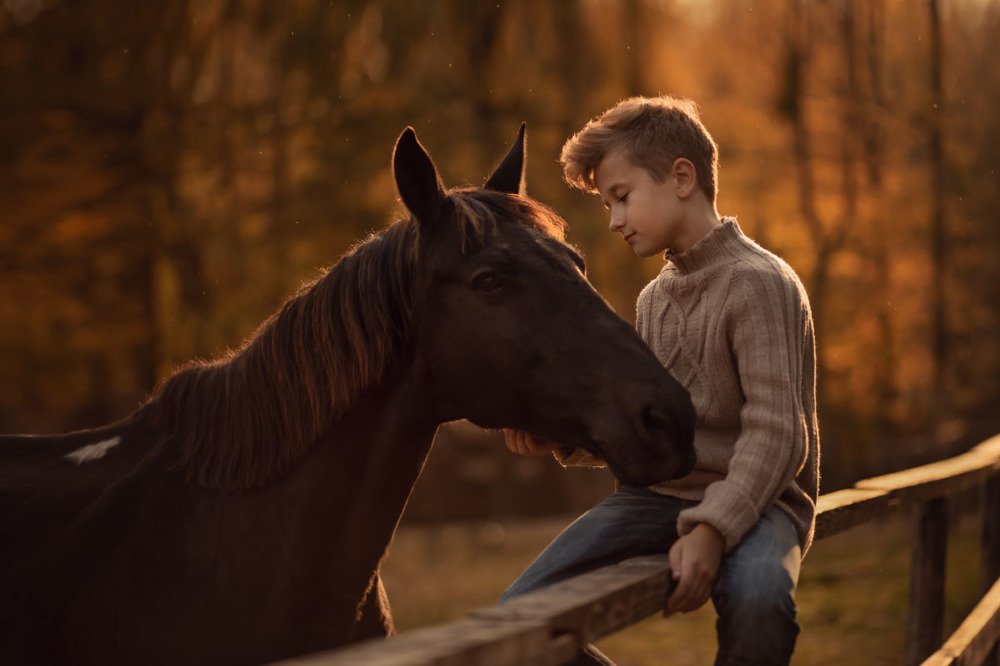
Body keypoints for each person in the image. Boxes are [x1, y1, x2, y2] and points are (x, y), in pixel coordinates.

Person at [501, 96, 820, 666]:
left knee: (761, 602)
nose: (613, 219)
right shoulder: (654, 299)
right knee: (517, 620)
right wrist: (563, 440)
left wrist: (712, 530)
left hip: (762, 499)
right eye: (606, 205)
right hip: (654, 499)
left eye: (621, 198)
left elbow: (778, 435)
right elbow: (644, 428)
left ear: (680, 177)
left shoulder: (760, 283)